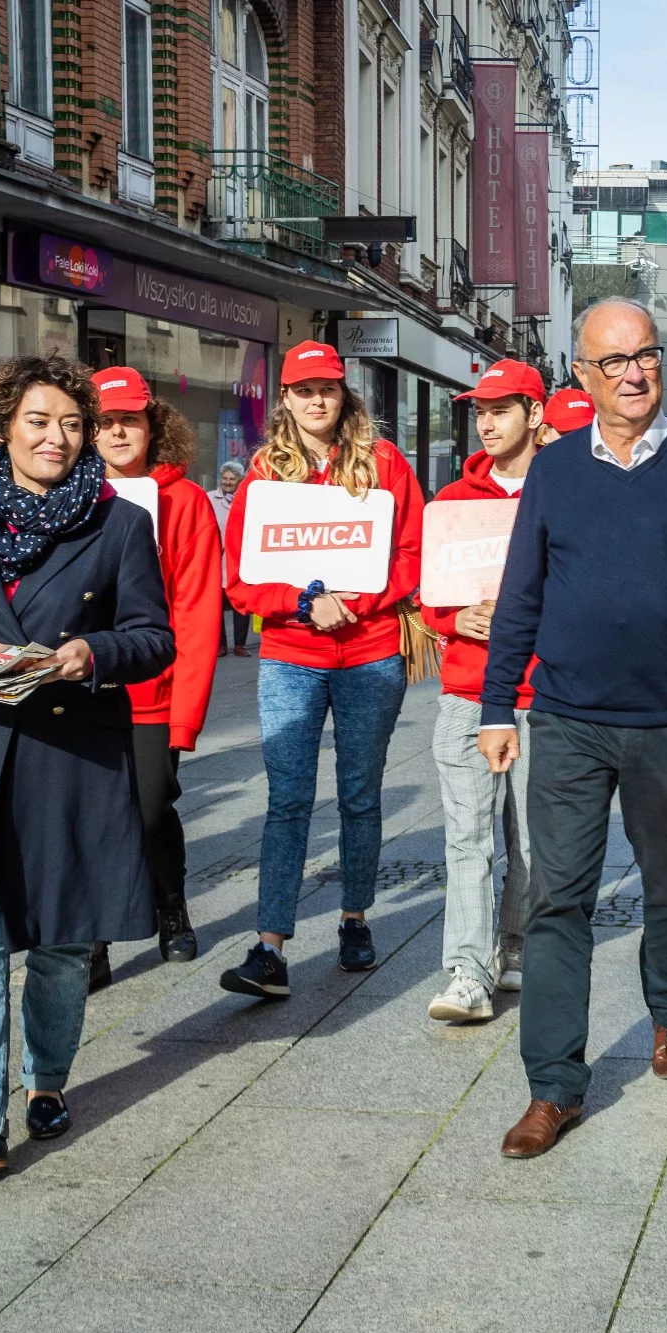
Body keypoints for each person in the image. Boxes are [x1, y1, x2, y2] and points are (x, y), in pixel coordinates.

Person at [477, 297, 667, 1159]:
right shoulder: (556, 472)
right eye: (614, 361)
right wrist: (497, 704)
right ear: (583, 376)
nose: (635, 372)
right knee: (556, 897)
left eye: (645, 355)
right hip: (565, 720)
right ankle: (554, 1086)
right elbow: (521, 592)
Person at [0, 354, 173, 1180]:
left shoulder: (118, 522)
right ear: (1, 428)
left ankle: (46, 1079)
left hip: (68, 753)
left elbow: (155, 636)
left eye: (72, 424)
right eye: (39, 421)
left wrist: (91, 652)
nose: (58, 437)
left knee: (58, 939)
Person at [217, 340, 424, 998]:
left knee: (361, 795)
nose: (316, 399)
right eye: (304, 389)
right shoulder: (261, 477)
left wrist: (354, 603)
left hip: (369, 652)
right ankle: (270, 943)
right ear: (285, 398)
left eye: (327, 389)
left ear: (344, 394)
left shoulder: (386, 464)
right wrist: (303, 601)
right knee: (287, 800)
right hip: (290, 654)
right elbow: (240, 579)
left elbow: (413, 555)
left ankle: (354, 917)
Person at [420, 358, 546, 1024]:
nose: (488, 422)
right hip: (467, 689)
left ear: (536, 412)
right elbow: (430, 593)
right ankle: (468, 971)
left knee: (528, 841)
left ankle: (516, 947)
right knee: (469, 837)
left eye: (501, 408)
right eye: (480, 411)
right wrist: (453, 618)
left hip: (538, 694)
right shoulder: (452, 503)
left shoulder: (561, 493)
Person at [90, 365, 222, 979]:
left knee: (149, 809)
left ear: (152, 424)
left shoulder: (186, 501)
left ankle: (171, 905)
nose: (118, 433)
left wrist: (186, 714)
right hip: (79, 683)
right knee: (85, 814)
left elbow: (197, 611)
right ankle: (91, 935)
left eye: (129, 420)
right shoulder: (66, 494)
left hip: (153, 692)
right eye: (105, 422)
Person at [211, 460, 252, 655]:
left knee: (241, 604)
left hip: (239, 561)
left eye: (232, 479)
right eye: (225, 478)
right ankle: (220, 645)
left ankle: (240, 644)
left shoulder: (245, 500)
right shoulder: (209, 498)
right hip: (216, 560)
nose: (227, 482)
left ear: (239, 481)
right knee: (216, 606)